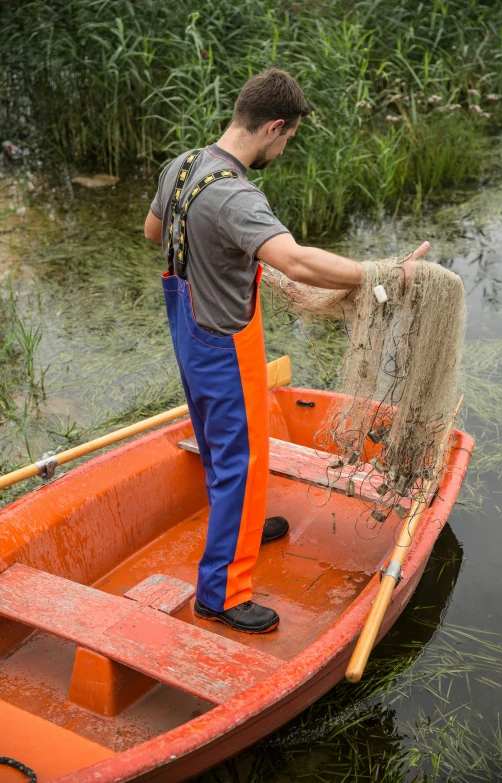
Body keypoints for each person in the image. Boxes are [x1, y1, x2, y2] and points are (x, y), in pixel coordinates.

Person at [144, 69, 429, 634]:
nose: (283, 147)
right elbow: (296, 261)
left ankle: (244, 527)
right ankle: (220, 595)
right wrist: (385, 273)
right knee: (242, 461)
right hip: (225, 344)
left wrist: (225, 255)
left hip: (188, 328)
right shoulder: (235, 193)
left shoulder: (181, 166)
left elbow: (156, 232)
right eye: (287, 138)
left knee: (215, 444)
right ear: (273, 126)